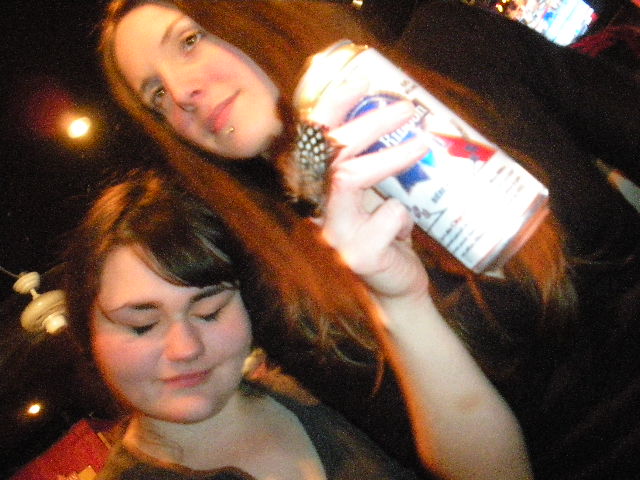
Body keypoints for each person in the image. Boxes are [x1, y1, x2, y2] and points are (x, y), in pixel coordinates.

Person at [97, 1, 640, 478]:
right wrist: (397, 302)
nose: (182, 95)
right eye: (156, 95)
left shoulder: (452, 47)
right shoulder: (270, 272)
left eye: (189, 40)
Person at [61, 167, 532, 480]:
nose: (185, 348)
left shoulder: (331, 389)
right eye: (142, 326)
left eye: (210, 312)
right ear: (88, 334)